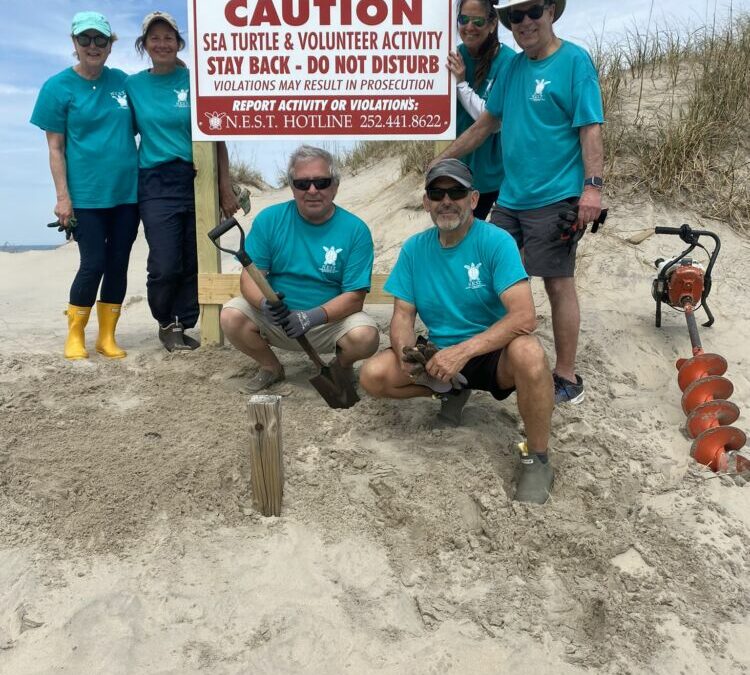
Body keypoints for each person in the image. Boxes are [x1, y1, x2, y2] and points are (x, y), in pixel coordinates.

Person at [433, 0, 604, 405]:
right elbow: (488, 122)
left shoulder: (574, 61)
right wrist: (445, 159)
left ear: (549, 12)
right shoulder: (512, 67)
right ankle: (486, 362)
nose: (524, 23)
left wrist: (592, 188)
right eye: (515, 16)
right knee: (489, 275)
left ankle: (566, 376)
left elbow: (590, 128)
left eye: (532, 12)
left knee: (557, 282)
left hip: (557, 195)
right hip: (511, 197)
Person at [359, 159, 555, 504]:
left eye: (456, 192)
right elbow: (403, 314)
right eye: (437, 192)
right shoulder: (414, 249)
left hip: (490, 354)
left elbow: (525, 316)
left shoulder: (496, 242)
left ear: (474, 199)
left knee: (530, 352)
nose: (446, 201)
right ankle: (448, 393)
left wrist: (463, 352)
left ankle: (537, 458)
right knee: (373, 375)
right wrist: (408, 357)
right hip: (438, 353)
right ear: (426, 202)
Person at [220, 145, 380, 393]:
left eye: (322, 182)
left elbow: (354, 298)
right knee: (231, 315)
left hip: (329, 324)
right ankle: (271, 367)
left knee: (366, 336)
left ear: (335, 186)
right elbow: (249, 278)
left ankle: (341, 366)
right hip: (278, 319)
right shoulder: (270, 220)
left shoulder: (355, 230)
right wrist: (264, 304)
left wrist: (310, 317)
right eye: (303, 184)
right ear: (292, 187)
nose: (312, 190)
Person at [125, 11, 239, 352]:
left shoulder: (197, 80)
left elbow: (217, 136)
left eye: (168, 37)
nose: (162, 43)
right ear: (144, 44)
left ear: (179, 43)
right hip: (156, 180)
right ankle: (165, 320)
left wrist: (224, 186)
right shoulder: (132, 85)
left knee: (195, 257)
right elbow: (118, 132)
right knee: (164, 260)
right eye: (154, 38)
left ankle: (183, 322)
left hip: (197, 176)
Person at [31, 12, 140, 360]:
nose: (93, 46)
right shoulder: (56, 87)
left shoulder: (124, 82)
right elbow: (55, 147)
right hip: (87, 197)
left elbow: (150, 113)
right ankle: (75, 333)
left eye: (101, 40)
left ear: (111, 45)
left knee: (119, 262)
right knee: (93, 262)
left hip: (127, 192)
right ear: (74, 43)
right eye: (85, 39)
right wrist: (63, 198)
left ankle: (107, 336)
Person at [447, 0, 515, 219]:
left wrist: (460, 84)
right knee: (466, 245)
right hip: (461, 171)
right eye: (463, 19)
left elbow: (491, 121)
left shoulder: (508, 61)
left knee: (506, 244)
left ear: (492, 23)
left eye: (477, 21)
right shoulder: (452, 57)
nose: (469, 27)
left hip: (499, 174)